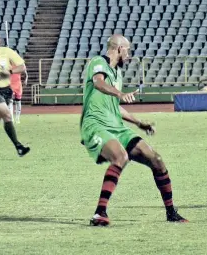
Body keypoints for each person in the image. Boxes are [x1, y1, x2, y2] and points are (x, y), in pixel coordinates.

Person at [80, 34, 187, 226]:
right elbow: (98, 83)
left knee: (156, 159)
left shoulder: (118, 74)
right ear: (119, 48)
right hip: (95, 124)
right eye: (127, 50)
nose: (129, 55)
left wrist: (138, 122)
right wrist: (120, 93)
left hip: (117, 126)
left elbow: (114, 106)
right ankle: (99, 213)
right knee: (120, 157)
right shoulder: (98, 62)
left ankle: (171, 213)